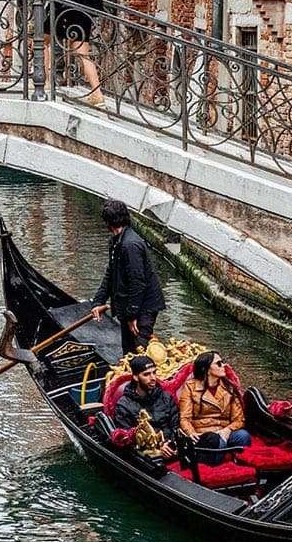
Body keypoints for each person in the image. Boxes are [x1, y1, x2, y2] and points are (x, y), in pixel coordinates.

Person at [90, 199, 166, 355]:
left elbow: (137, 282)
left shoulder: (130, 245)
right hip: (128, 305)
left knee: (138, 351)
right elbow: (110, 274)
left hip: (144, 307)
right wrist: (99, 301)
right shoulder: (116, 242)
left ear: (107, 223)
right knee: (128, 350)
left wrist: (132, 315)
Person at [178, 350, 251, 465]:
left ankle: (240, 465)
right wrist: (191, 432)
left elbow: (239, 419)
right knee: (217, 440)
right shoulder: (190, 387)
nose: (223, 366)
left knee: (243, 435)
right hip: (202, 434)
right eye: (218, 364)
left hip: (223, 431)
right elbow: (184, 418)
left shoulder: (229, 388)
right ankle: (214, 468)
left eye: (222, 362)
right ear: (206, 369)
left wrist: (228, 430)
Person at [112, 356, 178, 460]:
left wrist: (169, 444)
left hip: (172, 448)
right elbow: (127, 439)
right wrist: (157, 449)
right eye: (146, 374)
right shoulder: (123, 405)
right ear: (135, 377)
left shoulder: (166, 397)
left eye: (154, 372)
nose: (153, 378)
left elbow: (175, 425)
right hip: (147, 458)